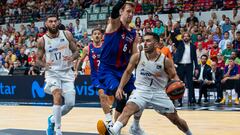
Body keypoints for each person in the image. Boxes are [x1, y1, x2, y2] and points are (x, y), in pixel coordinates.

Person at [104, 32, 192, 135]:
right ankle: (113, 130)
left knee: (175, 119)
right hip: (141, 90)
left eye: (148, 41)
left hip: (158, 92)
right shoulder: (137, 57)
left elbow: (173, 76)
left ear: (156, 44)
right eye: (143, 41)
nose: (144, 43)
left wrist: (178, 82)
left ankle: (190, 133)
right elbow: (127, 72)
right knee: (128, 109)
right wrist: (120, 87)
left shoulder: (165, 61)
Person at [96, 0, 142, 134]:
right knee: (120, 95)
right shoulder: (115, 25)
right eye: (128, 11)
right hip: (108, 69)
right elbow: (114, 12)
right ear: (121, 12)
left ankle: (118, 128)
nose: (131, 14)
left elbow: (134, 56)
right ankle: (115, 129)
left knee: (137, 97)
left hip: (123, 70)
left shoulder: (133, 34)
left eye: (132, 12)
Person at [36, 15, 80, 135]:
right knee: (57, 94)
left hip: (67, 72)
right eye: (50, 21)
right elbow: (37, 60)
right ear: (46, 24)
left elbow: (77, 51)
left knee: (70, 103)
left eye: (55, 21)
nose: (53, 23)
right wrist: (45, 65)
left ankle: (52, 119)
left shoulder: (66, 34)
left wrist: (71, 57)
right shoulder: (42, 40)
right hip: (52, 73)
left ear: (58, 22)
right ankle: (58, 130)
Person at [75, 28, 115, 125]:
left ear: (102, 36)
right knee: (102, 95)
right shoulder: (87, 48)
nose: (97, 35)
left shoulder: (106, 46)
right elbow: (80, 60)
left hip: (108, 74)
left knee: (111, 97)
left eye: (99, 34)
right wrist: (76, 70)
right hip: (96, 76)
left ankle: (110, 109)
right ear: (92, 36)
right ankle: (109, 121)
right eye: (95, 34)